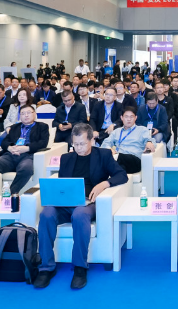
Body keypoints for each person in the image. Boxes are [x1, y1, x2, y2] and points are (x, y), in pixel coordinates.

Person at [33, 124, 127, 290]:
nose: (78, 148)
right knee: (46, 214)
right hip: (66, 203)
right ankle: (46, 267)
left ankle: (80, 267)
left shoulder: (103, 155)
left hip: (89, 202)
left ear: (91, 140)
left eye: (82, 144)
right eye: (75, 144)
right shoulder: (66, 158)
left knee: (79, 214)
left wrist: (104, 184)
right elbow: (63, 185)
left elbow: (122, 175)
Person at [0, 105, 49, 194]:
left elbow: (43, 143)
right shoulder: (15, 127)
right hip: (11, 155)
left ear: (34, 114)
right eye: (23, 113)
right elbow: (4, 142)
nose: (26, 115)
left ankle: (11, 193)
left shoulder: (42, 126)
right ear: (20, 116)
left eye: (28, 113)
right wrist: (10, 148)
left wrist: (26, 148)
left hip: (28, 155)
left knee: (26, 169)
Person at [100, 107, 155, 173]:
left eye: (131, 117)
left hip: (134, 160)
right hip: (119, 160)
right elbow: (105, 143)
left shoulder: (142, 130)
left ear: (136, 118)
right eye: (126, 117)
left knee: (117, 158)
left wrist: (149, 142)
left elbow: (152, 141)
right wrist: (109, 149)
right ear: (121, 118)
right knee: (119, 167)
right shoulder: (116, 131)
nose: (129, 119)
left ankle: (115, 159)